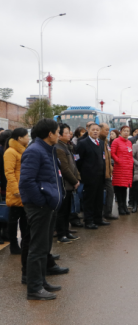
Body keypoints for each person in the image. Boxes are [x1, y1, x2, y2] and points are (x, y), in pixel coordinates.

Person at [19, 119, 64, 300]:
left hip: (47, 205)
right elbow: (26, 181)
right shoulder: (35, 151)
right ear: (50, 134)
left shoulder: (48, 150)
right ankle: (34, 289)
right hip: (39, 206)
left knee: (44, 246)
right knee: (37, 248)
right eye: (58, 131)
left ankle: (41, 281)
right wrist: (41, 202)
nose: (59, 134)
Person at [75, 123, 109, 229]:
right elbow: (78, 160)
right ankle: (88, 220)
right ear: (88, 131)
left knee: (99, 199)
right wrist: (83, 172)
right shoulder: (83, 143)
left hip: (100, 175)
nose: (95, 131)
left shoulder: (101, 142)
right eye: (93, 129)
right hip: (89, 176)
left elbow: (103, 158)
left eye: (97, 130)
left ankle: (98, 218)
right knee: (89, 199)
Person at [4, 128, 29, 253]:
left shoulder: (22, 151)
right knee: (13, 220)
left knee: (25, 219)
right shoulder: (10, 152)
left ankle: (25, 244)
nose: (28, 138)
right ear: (20, 138)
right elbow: (9, 173)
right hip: (16, 191)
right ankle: (13, 245)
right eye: (26, 136)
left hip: (24, 189)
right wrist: (15, 189)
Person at [55, 124, 81, 243]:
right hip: (65, 184)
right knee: (62, 211)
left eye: (70, 132)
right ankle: (61, 234)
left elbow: (73, 165)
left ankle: (66, 231)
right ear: (59, 135)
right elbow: (64, 168)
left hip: (70, 184)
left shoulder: (67, 146)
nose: (69, 134)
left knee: (67, 211)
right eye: (66, 132)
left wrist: (77, 178)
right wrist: (74, 181)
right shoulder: (59, 148)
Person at [111, 126, 134, 215]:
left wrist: (130, 162)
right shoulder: (116, 141)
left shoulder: (129, 142)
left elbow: (130, 154)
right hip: (119, 167)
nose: (126, 133)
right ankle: (120, 207)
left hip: (127, 168)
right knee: (119, 188)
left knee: (124, 188)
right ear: (120, 132)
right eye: (124, 131)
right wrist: (119, 161)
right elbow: (112, 153)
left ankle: (124, 206)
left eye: (128, 131)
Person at [98, 123, 117, 220]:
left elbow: (108, 157)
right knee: (100, 194)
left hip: (108, 172)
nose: (108, 132)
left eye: (108, 130)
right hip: (100, 173)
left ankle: (108, 212)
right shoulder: (98, 141)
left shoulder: (106, 141)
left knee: (110, 191)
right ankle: (100, 214)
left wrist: (110, 167)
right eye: (106, 130)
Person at [0, 129, 13, 244]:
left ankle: (5, 233)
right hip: (3, 185)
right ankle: (4, 233)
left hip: (5, 185)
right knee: (3, 208)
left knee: (4, 209)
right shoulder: (4, 151)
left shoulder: (7, 151)